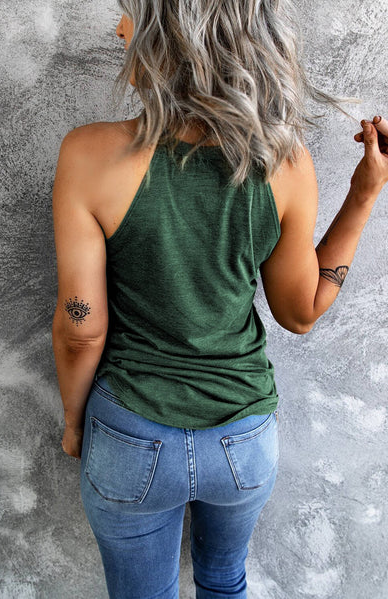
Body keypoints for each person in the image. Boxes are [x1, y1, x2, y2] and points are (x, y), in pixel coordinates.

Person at [51, 2, 388, 598]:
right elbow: (301, 313)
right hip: (244, 440)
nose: (120, 27)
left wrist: (76, 424)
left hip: (131, 434)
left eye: (130, 13)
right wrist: (363, 196)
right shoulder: (286, 163)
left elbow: (82, 330)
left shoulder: (88, 154)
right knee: (225, 581)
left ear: (169, 35)